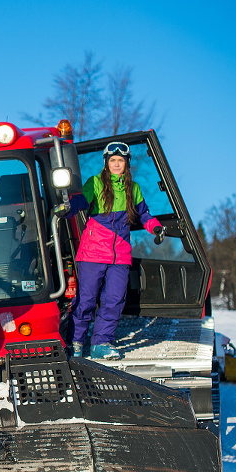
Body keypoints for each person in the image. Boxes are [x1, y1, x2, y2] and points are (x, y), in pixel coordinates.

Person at [59, 141, 165, 360]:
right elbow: (81, 200)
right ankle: (76, 342)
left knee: (114, 299)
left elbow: (144, 214)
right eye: (113, 161)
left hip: (120, 254)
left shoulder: (133, 189)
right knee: (86, 299)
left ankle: (101, 343)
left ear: (127, 164)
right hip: (93, 252)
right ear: (106, 163)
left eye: (121, 161)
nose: (117, 164)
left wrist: (155, 228)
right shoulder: (96, 183)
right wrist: (70, 206)